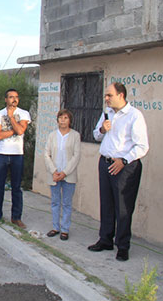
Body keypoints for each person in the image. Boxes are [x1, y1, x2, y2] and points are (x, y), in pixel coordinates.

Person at [88, 82, 149, 261]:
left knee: (123, 207)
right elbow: (96, 135)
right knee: (106, 204)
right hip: (105, 163)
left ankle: (122, 246)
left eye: (109, 95)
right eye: (106, 95)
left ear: (121, 95)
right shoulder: (107, 114)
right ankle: (105, 239)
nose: (106, 98)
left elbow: (142, 146)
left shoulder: (134, 116)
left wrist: (123, 160)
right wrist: (102, 129)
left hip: (125, 167)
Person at [0, 88, 31, 228]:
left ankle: (16, 217)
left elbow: (20, 131)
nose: (14, 99)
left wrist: (11, 117)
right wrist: (15, 130)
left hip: (17, 155)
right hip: (2, 153)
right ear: (6, 99)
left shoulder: (24, 114)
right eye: (11, 97)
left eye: (16, 97)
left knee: (16, 187)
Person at [43, 109, 81, 241]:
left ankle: (65, 229)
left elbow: (76, 156)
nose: (63, 120)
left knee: (66, 203)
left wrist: (65, 172)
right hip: (54, 174)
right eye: (61, 117)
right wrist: (54, 171)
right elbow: (46, 154)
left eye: (66, 118)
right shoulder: (52, 135)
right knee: (55, 202)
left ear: (70, 120)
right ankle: (55, 227)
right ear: (57, 120)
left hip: (68, 175)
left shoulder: (75, 135)